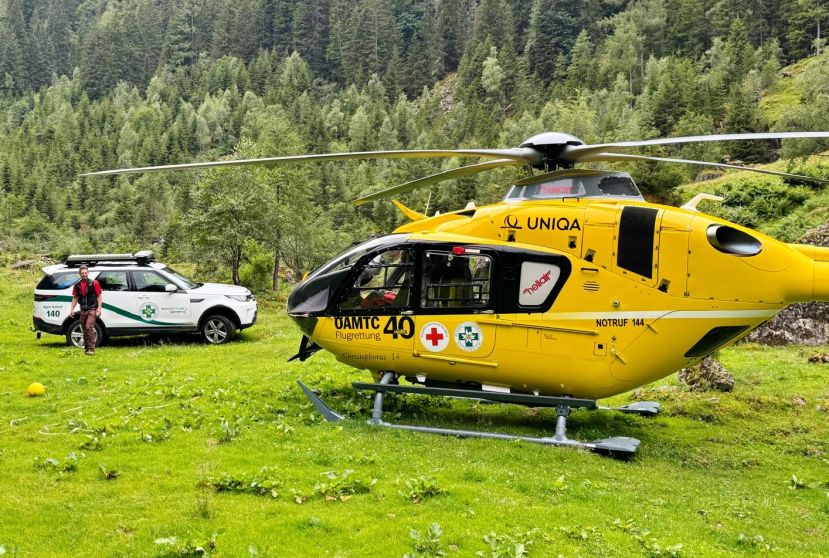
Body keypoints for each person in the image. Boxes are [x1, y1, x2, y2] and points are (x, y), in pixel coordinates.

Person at [68, 264, 102, 355]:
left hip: (92, 308)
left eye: (85, 273)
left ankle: (91, 349)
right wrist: (72, 309)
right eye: (82, 273)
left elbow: (99, 296)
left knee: (88, 327)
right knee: (84, 329)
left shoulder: (94, 283)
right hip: (83, 309)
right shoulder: (77, 285)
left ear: (88, 273)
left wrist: (99, 308)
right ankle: (87, 349)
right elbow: (75, 298)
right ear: (80, 274)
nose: (84, 274)